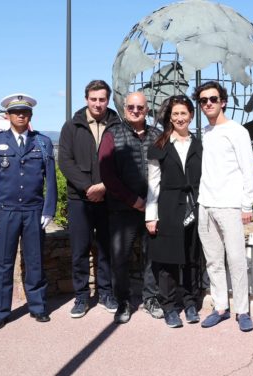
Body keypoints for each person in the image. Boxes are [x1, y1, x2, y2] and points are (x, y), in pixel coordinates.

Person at [0, 93, 56, 330]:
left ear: (30, 115)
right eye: (16, 112)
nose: (20, 115)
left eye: (24, 112)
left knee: (35, 262)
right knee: (2, 264)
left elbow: (50, 180)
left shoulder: (42, 142)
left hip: (33, 212)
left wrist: (48, 210)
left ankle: (38, 307)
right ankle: (0, 312)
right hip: (5, 212)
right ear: (8, 115)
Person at [193, 81, 253, 332]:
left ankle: (242, 310)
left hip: (230, 206)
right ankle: (220, 307)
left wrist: (246, 204)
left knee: (236, 259)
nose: (208, 103)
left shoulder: (238, 131)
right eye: (203, 100)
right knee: (213, 261)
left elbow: (248, 169)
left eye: (213, 99)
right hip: (205, 205)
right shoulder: (204, 133)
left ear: (223, 101)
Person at [99, 91, 163, 324]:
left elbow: (165, 170)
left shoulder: (157, 135)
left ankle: (151, 298)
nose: (135, 111)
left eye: (140, 107)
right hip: (122, 210)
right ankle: (123, 301)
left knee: (152, 257)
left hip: (152, 210)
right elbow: (107, 174)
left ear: (147, 109)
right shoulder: (112, 134)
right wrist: (133, 200)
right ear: (124, 108)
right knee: (120, 258)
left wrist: (152, 204)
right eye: (131, 107)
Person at [58, 80, 120, 318]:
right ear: (86, 99)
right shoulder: (71, 126)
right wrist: (88, 188)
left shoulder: (117, 124)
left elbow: (123, 161)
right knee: (79, 250)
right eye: (93, 99)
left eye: (102, 99)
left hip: (109, 197)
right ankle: (81, 296)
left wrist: (104, 187)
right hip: (79, 200)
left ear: (108, 100)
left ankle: (106, 293)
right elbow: (65, 161)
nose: (97, 104)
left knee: (106, 249)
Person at [145, 95, 204, 328]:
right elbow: (153, 183)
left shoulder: (200, 145)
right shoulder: (159, 146)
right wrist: (151, 216)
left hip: (194, 208)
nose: (180, 118)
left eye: (184, 113)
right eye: (176, 113)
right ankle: (169, 306)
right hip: (167, 208)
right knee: (167, 262)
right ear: (170, 117)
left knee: (191, 260)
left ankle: (189, 302)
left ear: (191, 115)